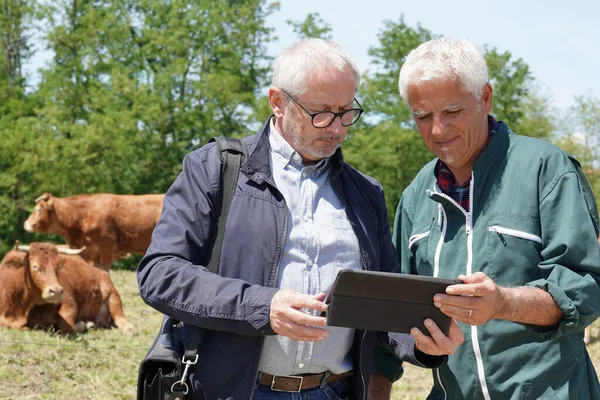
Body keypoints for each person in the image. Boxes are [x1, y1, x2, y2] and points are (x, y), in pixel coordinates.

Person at [137, 38, 464, 400]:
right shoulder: (215, 168)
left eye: (346, 111)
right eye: (322, 112)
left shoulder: (365, 192)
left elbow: (380, 306)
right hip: (233, 391)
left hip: (334, 391)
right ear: (278, 102)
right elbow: (160, 273)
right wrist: (264, 307)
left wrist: (422, 342)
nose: (337, 127)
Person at [370, 38, 600, 399]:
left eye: (452, 111)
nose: (438, 131)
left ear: (485, 97)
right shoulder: (416, 194)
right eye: (422, 116)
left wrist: (503, 304)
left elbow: (583, 288)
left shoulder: (546, 169)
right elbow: (391, 316)